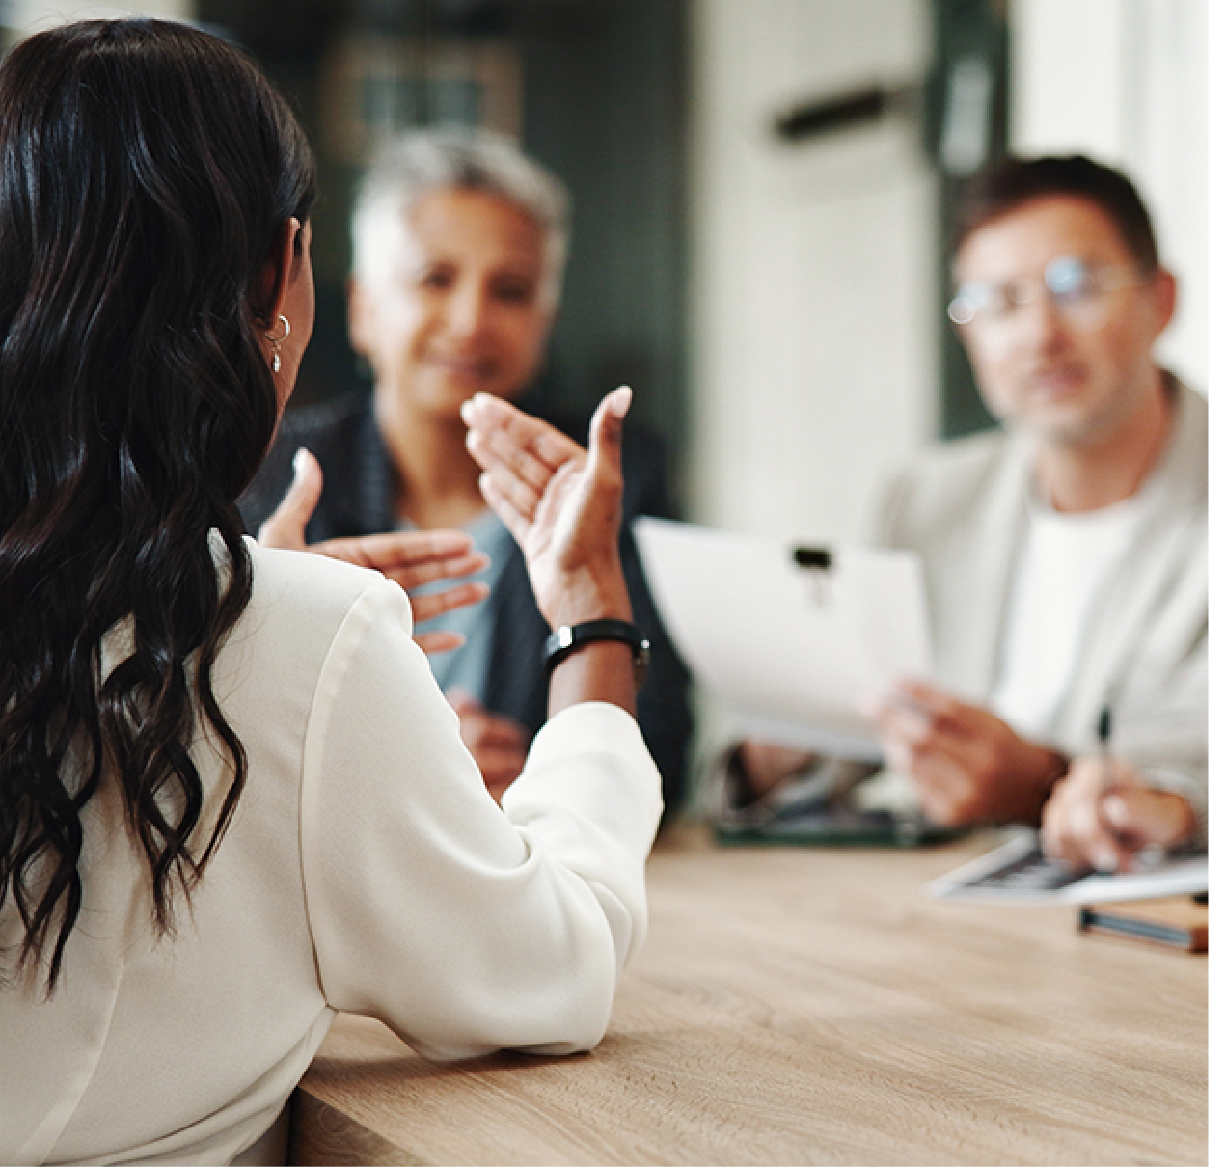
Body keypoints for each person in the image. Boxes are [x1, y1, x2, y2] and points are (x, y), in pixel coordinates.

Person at [0, 20, 662, 1166]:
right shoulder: (296, 634)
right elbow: (555, 970)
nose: (469, 320)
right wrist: (593, 626)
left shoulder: (272, 619)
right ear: (289, 274)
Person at [729, 156, 1206, 869]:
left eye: (1074, 285)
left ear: (1159, 299)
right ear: (969, 335)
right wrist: (770, 753)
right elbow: (853, 754)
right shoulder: (924, 498)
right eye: (1000, 302)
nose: (1041, 334)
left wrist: (1040, 784)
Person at [239, 128, 692, 812]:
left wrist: (535, 784)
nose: (471, 320)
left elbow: (659, 748)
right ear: (362, 309)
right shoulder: (272, 472)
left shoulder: (606, 479)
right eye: (435, 278)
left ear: (545, 319)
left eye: (510, 290)